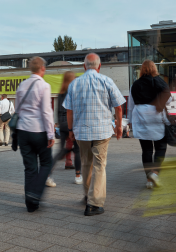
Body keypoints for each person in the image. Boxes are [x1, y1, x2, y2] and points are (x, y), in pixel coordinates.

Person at [63, 53, 125, 216]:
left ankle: (87, 195)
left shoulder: (75, 83)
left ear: (84, 66)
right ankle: (94, 203)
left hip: (81, 131)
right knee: (99, 164)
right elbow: (118, 107)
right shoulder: (107, 81)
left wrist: (70, 130)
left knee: (85, 163)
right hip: (102, 131)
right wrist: (119, 127)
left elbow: (69, 111)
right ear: (99, 66)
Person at [16, 56, 55, 212]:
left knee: (30, 168)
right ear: (43, 69)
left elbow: (17, 109)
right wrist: (51, 134)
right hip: (39, 131)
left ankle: (30, 204)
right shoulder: (44, 86)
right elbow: (46, 111)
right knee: (46, 163)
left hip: (23, 131)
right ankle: (35, 193)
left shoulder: (22, 85)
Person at [128, 60, 171, 189]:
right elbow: (168, 97)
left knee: (146, 150)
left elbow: (131, 105)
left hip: (140, 117)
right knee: (161, 147)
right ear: (154, 68)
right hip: (157, 116)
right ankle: (155, 173)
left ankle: (149, 180)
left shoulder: (135, 84)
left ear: (142, 69)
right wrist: (161, 105)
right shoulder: (160, 81)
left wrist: (130, 122)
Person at [50, 71, 82, 187]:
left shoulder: (60, 92)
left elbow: (58, 111)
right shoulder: (73, 91)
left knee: (61, 150)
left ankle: (48, 174)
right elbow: (72, 110)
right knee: (77, 149)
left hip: (62, 124)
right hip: (71, 123)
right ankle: (78, 176)